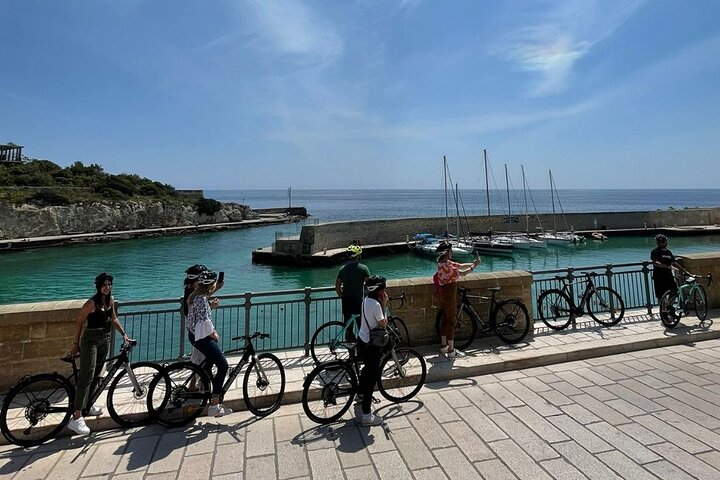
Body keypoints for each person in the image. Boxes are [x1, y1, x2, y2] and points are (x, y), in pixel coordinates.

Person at [67, 273, 132, 436]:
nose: (107, 287)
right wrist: (75, 344)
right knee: (86, 375)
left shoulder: (110, 301)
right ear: (98, 286)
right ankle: (76, 417)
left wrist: (123, 333)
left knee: (97, 374)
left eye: (109, 284)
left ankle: (88, 403)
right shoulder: (91, 303)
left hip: (105, 339)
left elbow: (113, 318)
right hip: (91, 340)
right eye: (104, 284)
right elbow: (79, 322)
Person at [185, 269, 232, 416]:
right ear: (211, 285)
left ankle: (203, 384)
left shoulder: (195, 296)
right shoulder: (202, 300)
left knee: (209, 361)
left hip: (194, 335)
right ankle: (214, 405)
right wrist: (214, 334)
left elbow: (199, 317)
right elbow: (204, 320)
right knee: (223, 366)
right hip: (202, 337)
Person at [436, 242, 480, 358]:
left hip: (443, 293)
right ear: (447, 252)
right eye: (451, 251)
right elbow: (462, 273)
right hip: (449, 293)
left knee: (445, 320)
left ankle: (443, 346)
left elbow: (459, 265)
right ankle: (451, 350)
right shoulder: (447, 267)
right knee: (451, 321)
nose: (452, 252)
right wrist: (474, 267)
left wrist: (473, 263)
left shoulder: (442, 264)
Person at [356, 275, 388, 427]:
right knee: (372, 378)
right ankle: (367, 416)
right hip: (371, 346)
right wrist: (385, 305)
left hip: (362, 341)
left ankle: (360, 393)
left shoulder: (365, 301)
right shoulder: (376, 305)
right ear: (379, 292)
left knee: (366, 370)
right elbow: (383, 325)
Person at [335, 244, 370, 341]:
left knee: (348, 326)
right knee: (361, 326)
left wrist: (341, 295)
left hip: (346, 301)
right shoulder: (363, 268)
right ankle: (360, 349)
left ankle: (350, 349)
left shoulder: (342, 269)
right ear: (358, 256)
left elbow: (337, 286)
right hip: (358, 300)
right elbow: (369, 285)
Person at [651, 234, 688, 301]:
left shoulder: (668, 252)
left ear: (665, 242)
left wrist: (683, 270)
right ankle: (663, 308)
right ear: (657, 243)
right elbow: (655, 263)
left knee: (674, 291)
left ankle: (669, 306)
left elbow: (673, 263)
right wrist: (667, 266)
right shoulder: (654, 252)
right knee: (661, 295)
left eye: (663, 242)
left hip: (668, 276)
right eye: (659, 242)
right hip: (658, 277)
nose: (661, 243)